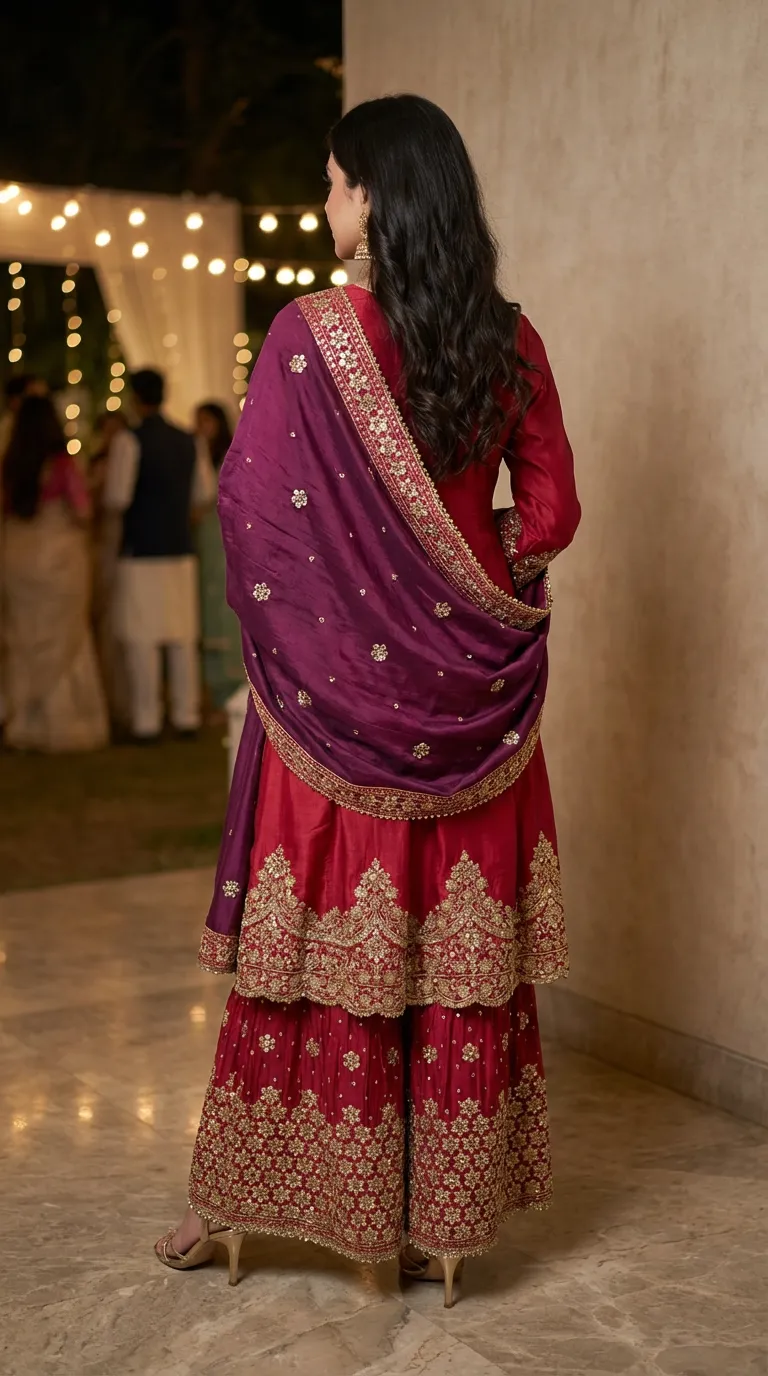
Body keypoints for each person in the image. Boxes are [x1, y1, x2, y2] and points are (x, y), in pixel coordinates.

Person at [155, 95, 581, 1306]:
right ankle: (434, 1218)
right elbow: (551, 512)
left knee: (319, 962)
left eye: (336, 183)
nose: (324, 204)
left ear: (379, 197)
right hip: (473, 708)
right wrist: (467, 578)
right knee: (444, 963)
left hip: (334, 714)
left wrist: (343, 623)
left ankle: (257, 1201)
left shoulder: (306, 336)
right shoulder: (507, 337)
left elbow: (251, 513)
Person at [103, 369, 215, 741]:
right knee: (182, 636)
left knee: (141, 637)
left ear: (136, 398)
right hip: (180, 549)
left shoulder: (128, 441)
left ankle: (146, 720)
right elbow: (203, 493)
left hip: (140, 550)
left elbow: (117, 497)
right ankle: (186, 716)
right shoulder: (188, 440)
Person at [1, 395, 108, 751]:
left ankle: (22, 723)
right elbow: (82, 511)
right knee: (65, 636)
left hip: (16, 554)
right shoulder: (62, 464)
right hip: (57, 556)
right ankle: (62, 724)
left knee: (22, 637)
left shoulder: (11, 464)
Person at [194, 402, 242, 714]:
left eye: (206, 421)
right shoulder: (197, 456)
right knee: (205, 605)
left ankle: (234, 683)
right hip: (203, 539)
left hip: (225, 536)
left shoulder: (230, 454)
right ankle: (211, 689)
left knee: (226, 604)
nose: (201, 427)